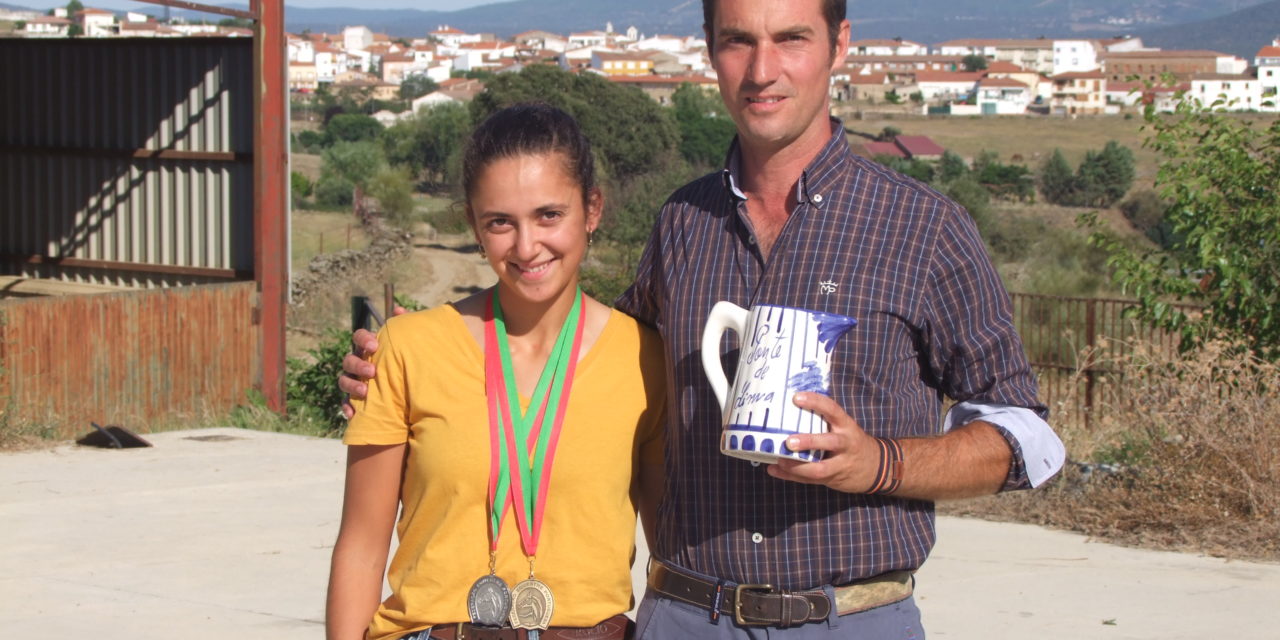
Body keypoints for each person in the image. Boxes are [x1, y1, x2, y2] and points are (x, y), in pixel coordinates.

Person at [343, 1, 1065, 637]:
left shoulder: (923, 227)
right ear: (710, 50)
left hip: (852, 622)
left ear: (840, 45)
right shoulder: (683, 223)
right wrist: (421, 357)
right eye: (737, 41)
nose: (763, 69)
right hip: (683, 619)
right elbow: (584, 355)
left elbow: (1030, 440)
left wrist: (882, 462)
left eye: (791, 38)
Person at [327, 103, 666, 640]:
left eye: (549, 215)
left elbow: (670, 552)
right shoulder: (406, 348)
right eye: (500, 222)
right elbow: (361, 547)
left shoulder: (646, 357)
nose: (526, 246)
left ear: (592, 209)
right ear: (474, 225)